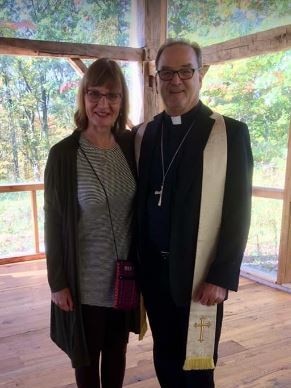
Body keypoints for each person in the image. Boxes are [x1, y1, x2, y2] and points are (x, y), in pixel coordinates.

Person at [134, 39, 253, 388]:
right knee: (165, 358)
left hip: (200, 278)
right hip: (155, 275)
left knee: (198, 367)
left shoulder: (229, 133)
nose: (176, 81)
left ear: (200, 75)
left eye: (185, 71)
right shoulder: (145, 134)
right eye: (167, 72)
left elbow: (239, 209)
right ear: (157, 79)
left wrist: (223, 275)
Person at [44, 58, 140, 388]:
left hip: (124, 281)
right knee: (86, 365)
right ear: (83, 98)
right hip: (84, 283)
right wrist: (57, 282)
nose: (103, 104)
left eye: (112, 95)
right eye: (95, 94)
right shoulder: (64, 154)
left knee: (117, 356)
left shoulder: (131, 146)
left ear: (122, 99)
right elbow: (54, 222)